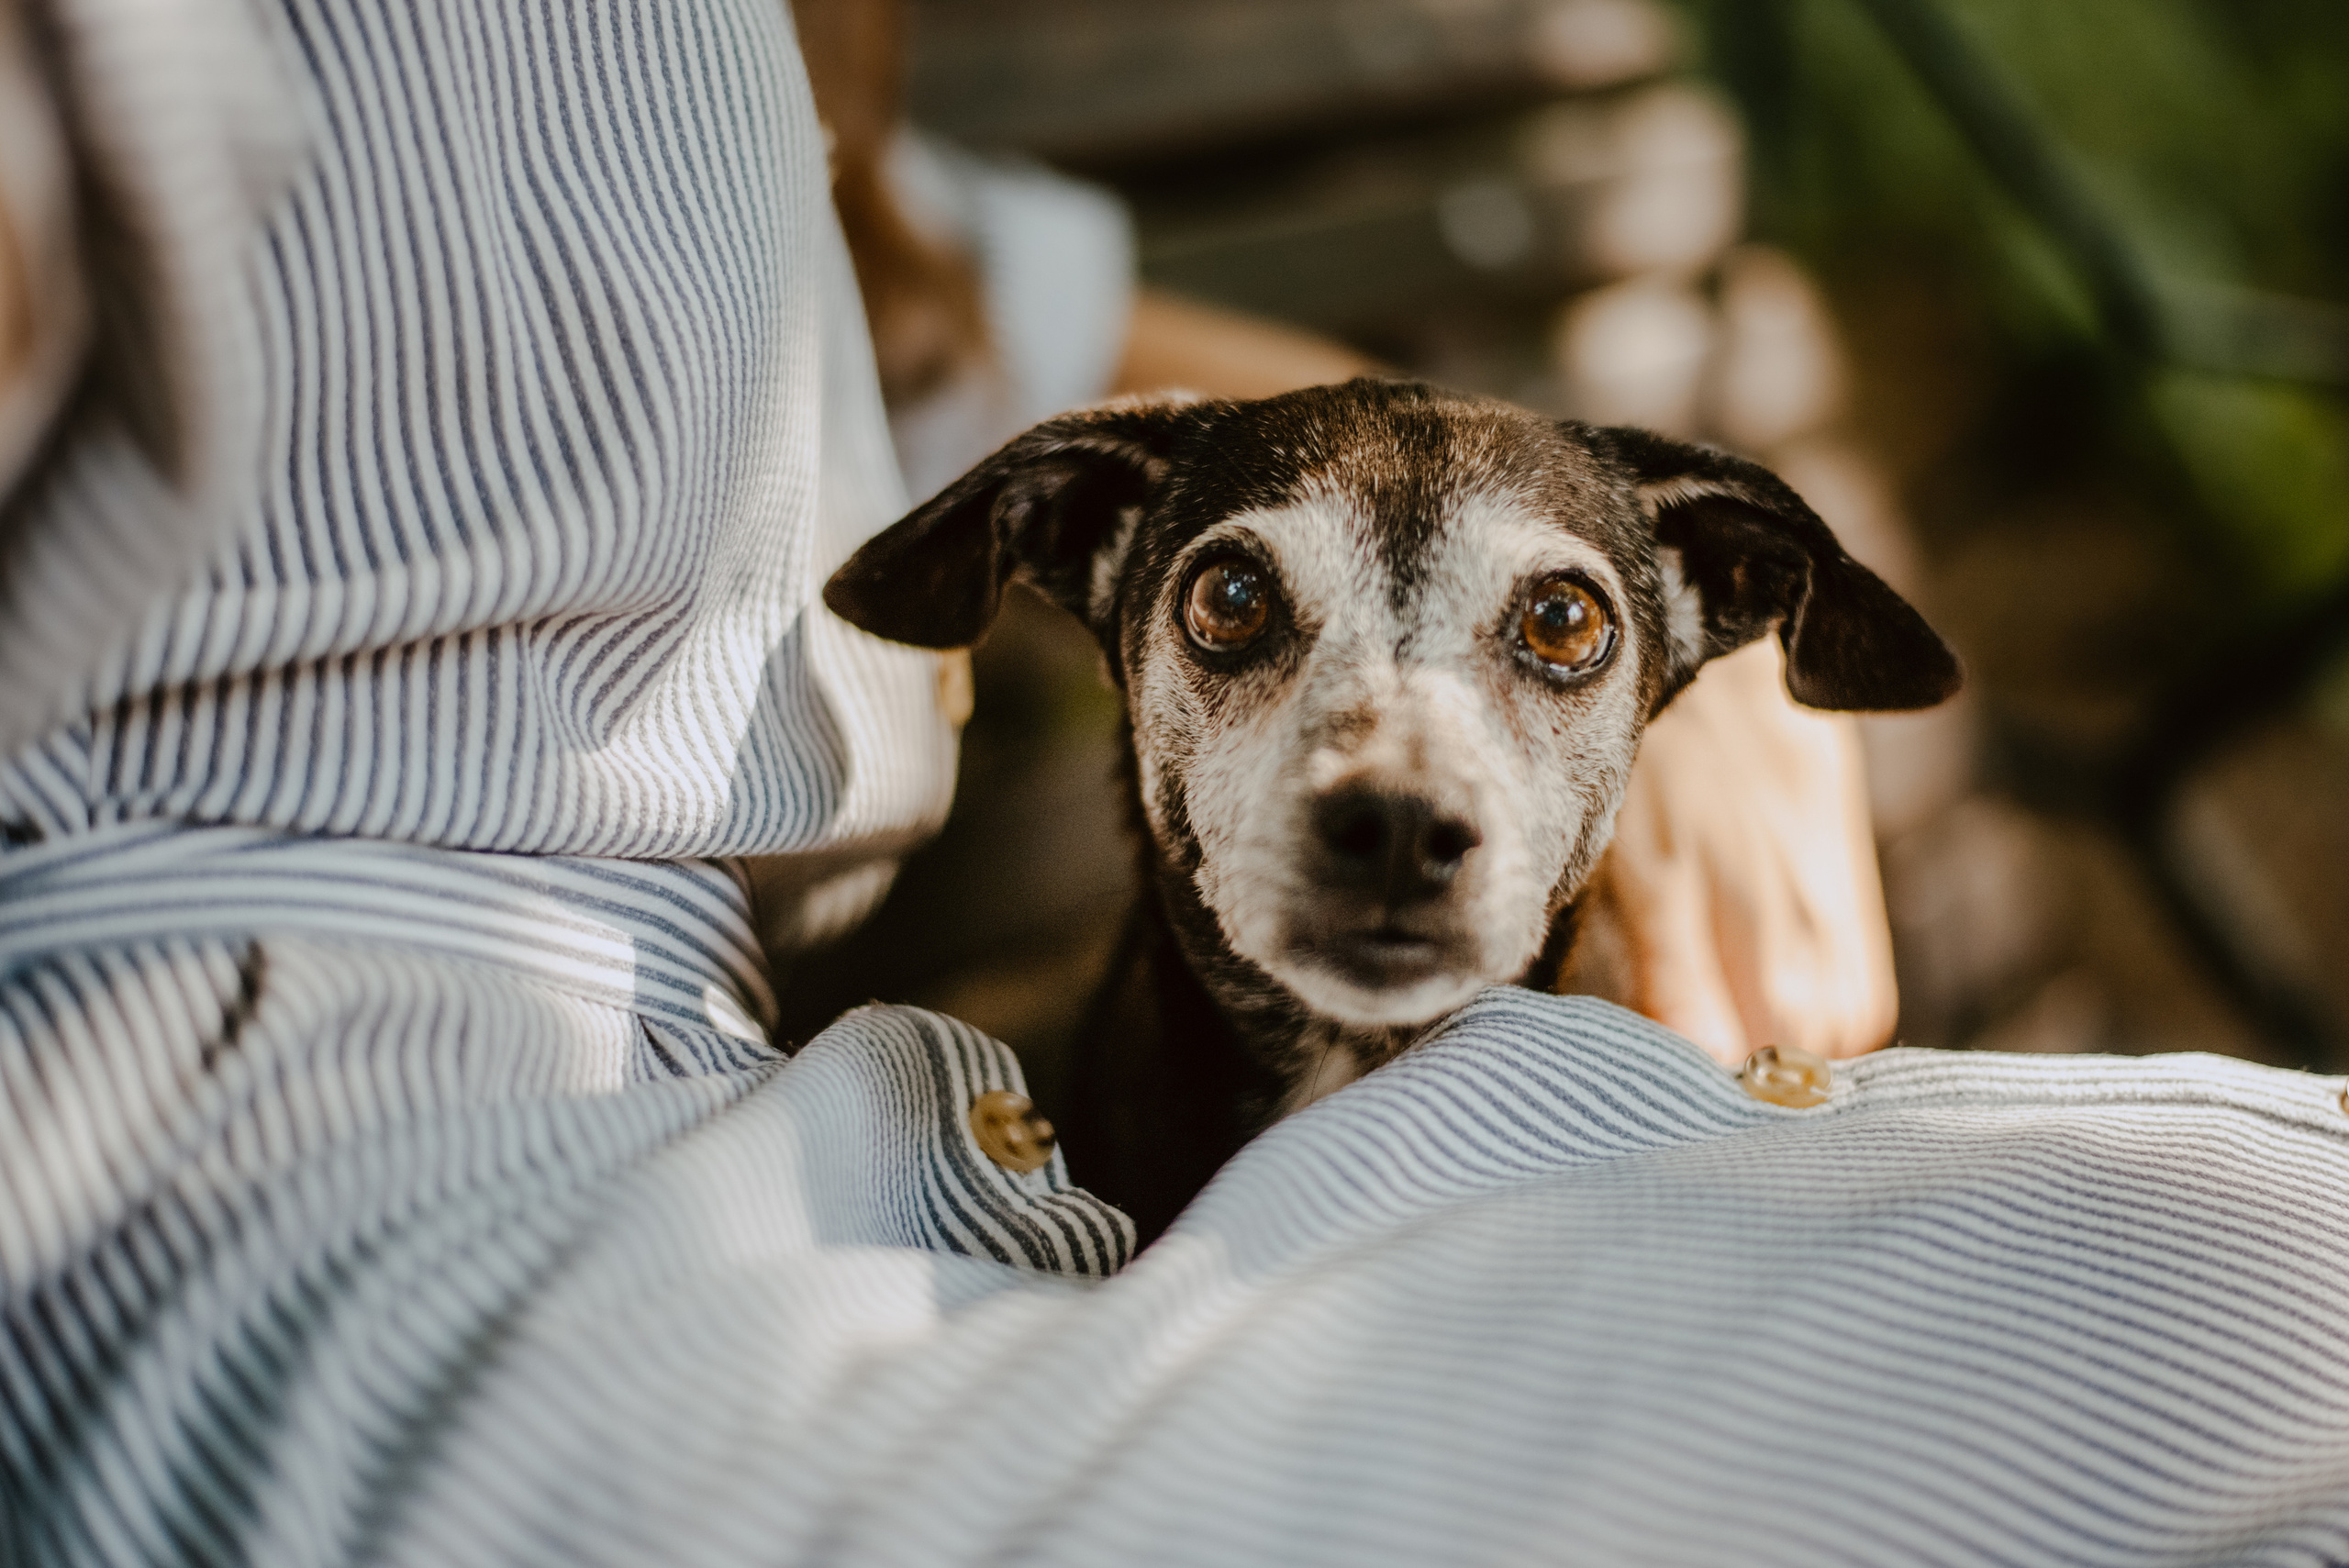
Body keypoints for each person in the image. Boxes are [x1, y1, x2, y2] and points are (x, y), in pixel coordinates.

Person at [3, 3, 2346, 1565]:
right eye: (1230, 611)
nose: (1394, 790)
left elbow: (912, 288)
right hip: (333, 1224)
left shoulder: (787, 94)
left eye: (1557, 646)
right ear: (1086, 574)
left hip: (800, 1159)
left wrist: (1631, 620)